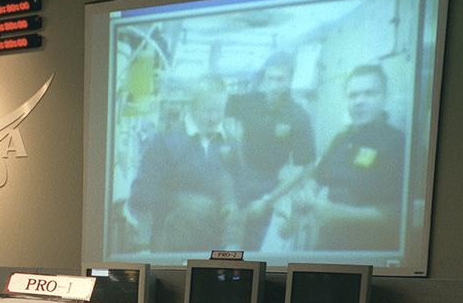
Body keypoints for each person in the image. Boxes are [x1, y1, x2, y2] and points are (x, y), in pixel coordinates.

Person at [127, 77, 253, 253]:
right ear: (192, 107)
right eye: (208, 111)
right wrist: (178, 201)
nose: (214, 118)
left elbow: (243, 191)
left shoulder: (231, 144)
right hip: (172, 248)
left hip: (216, 250)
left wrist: (233, 206)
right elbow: (140, 194)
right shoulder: (165, 141)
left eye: (219, 111)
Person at [295, 64, 405, 251]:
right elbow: (317, 176)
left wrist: (337, 213)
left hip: (369, 251)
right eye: (353, 95)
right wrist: (308, 193)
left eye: (369, 94)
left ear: (385, 98)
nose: (359, 101)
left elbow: (398, 213)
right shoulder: (342, 138)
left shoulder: (397, 143)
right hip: (329, 245)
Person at [225, 52, 315, 248]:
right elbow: (218, 111)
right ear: (264, 78)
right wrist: (231, 136)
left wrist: (269, 200)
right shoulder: (248, 101)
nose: (273, 85)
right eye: (269, 79)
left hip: (267, 184)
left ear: (290, 79)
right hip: (235, 175)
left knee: (250, 246)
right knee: (222, 238)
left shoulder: (298, 116)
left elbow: (305, 166)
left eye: (279, 79)